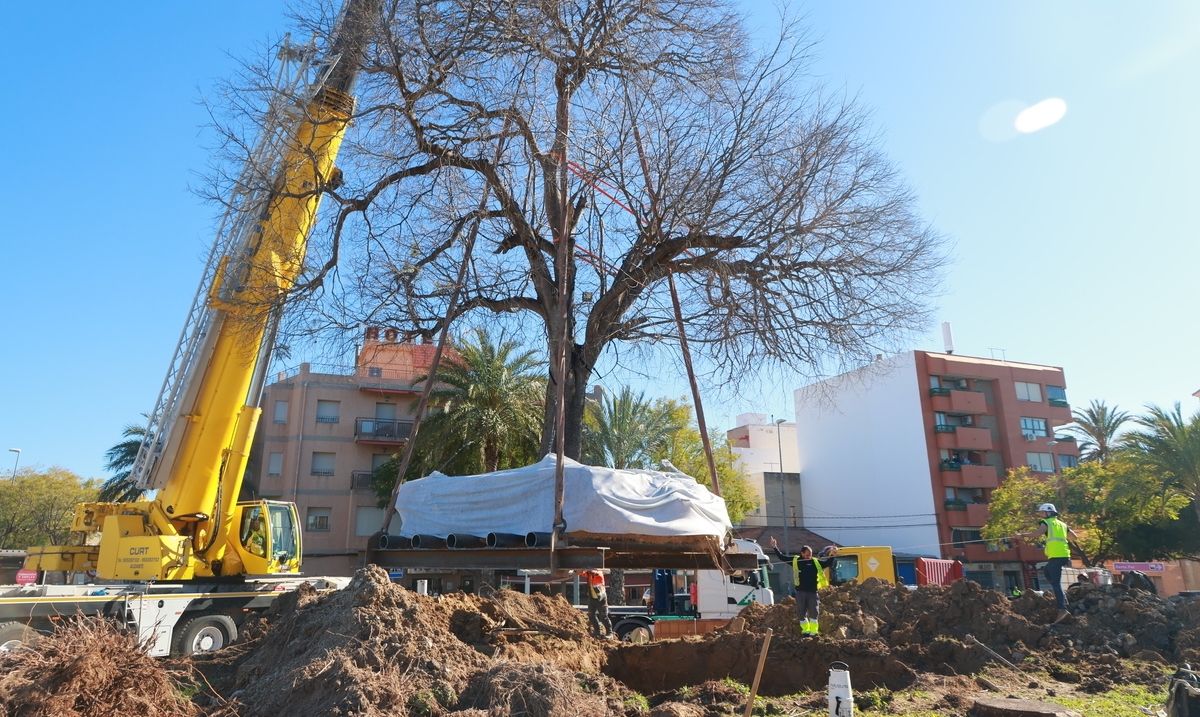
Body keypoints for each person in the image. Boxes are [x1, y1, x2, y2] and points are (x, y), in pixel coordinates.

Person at [1018, 503, 1080, 621]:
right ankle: (1062, 597)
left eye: (1042, 512)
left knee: (1055, 583)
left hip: (1056, 555)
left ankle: (1062, 609)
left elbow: (1037, 533)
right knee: (1047, 571)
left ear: (1048, 512)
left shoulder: (1046, 523)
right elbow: (1074, 537)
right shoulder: (1062, 524)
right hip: (1064, 555)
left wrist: (1022, 535)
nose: (1041, 515)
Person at [769, 535, 838, 636]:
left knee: (814, 612)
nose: (809, 557)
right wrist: (775, 547)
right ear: (802, 553)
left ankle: (813, 632)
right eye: (807, 555)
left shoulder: (815, 562)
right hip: (800, 592)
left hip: (813, 592)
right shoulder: (796, 561)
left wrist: (833, 555)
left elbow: (827, 563)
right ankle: (805, 630)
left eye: (810, 555)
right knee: (801, 612)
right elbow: (782, 557)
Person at [582, 569, 615, 639]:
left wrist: (591, 571)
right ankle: (597, 632)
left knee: (603, 616)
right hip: (592, 598)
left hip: (601, 598)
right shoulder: (588, 574)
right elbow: (581, 573)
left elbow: (597, 573)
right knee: (591, 615)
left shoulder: (599, 573)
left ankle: (610, 633)